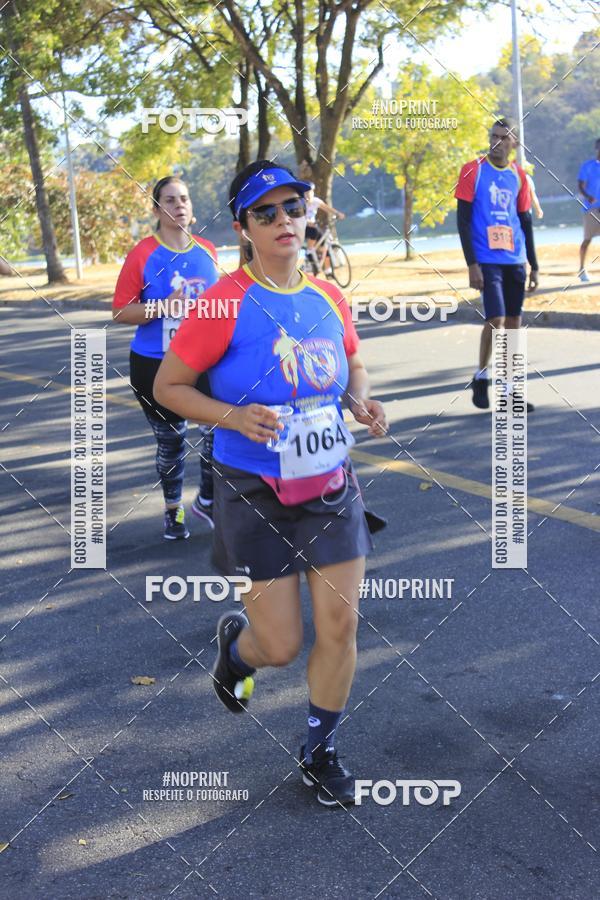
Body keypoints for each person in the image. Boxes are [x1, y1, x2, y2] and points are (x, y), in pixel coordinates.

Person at [154, 159, 387, 807]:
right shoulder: (225, 300)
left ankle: (320, 749)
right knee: (281, 644)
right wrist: (233, 415)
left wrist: (359, 401)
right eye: (266, 212)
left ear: (309, 214)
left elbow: (354, 364)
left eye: (294, 207)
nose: (284, 220)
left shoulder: (329, 297)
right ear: (243, 227)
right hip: (252, 489)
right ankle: (239, 650)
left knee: (339, 626)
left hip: (330, 483)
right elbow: (166, 386)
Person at [112, 176, 219, 540]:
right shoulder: (142, 254)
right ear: (156, 209)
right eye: (170, 200)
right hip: (154, 364)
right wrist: (162, 306)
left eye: (184, 199)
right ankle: (173, 511)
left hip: (203, 362)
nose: (179, 205)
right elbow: (121, 311)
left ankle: (207, 499)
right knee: (172, 441)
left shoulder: (207, 250)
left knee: (218, 430)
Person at [455, 117, 538, 412]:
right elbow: (462, 221)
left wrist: (534, 264)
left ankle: (510, 390)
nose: (497, 142)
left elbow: (526, 221)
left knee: (514, 324)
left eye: (504, 138)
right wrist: (472, 264)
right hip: (486, 260)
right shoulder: (472, 170)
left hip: (514, 260)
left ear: (514, 143)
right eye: (494, 136)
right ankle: (482, 374)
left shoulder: (519, 175)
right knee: (496, 319)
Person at [305, 184, 345, 271]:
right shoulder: (300, 203)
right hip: (303, 227)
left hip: (313, 225)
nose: (308, 195)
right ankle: (309, 250)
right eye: (306, 193)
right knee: (313, 230)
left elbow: (327, 208)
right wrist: (307, 222)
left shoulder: (316, 201)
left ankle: (327, 269)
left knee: (324, 245)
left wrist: (338, 214)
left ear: (313, 192)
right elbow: (297, 218)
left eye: (310, 192)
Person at [577, 138, 600, 282]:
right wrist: (588, 196)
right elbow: (580, 185)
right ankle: (581, 269)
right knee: (587, 240)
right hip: (591, 209)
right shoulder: (588, 166)